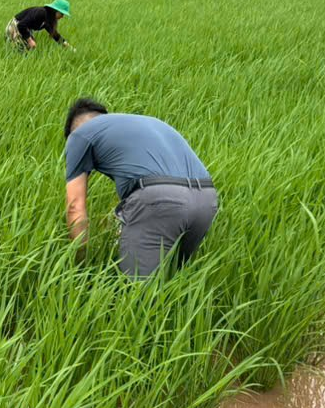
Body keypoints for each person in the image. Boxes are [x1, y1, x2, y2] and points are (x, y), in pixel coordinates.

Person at [63, 97, 217, 278]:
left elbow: (75, 206)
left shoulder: (79, 135)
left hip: (159, 199)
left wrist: (80, 267)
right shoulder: (147, 124)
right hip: (207, 199)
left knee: (138, 291)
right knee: (173, 281)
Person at [6, 0, 73, 52]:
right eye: (62, 14)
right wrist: (30, 40)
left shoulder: (49, 19)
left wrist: (69, 47)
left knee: (30, 49)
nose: (62, 16)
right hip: (15, 26)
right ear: (56, 10)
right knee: (23, 50)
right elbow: (21, 25)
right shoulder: (41, 13)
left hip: (24, 28)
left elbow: (55, 35)